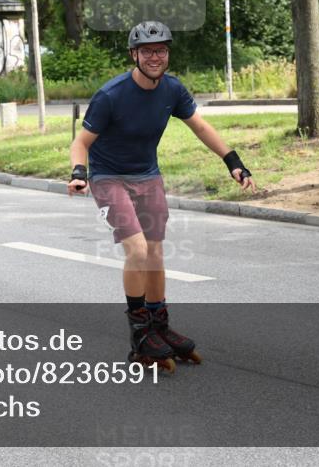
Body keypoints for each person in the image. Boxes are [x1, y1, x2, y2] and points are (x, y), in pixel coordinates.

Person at [67, 21, 256, 371]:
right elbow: (81, 143)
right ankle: (140, 334)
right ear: (134, 55)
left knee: (154, 252)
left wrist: (232, 161)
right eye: (147, 51)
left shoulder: (172, 89)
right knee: (137, 250)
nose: (155, 57)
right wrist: (79, 174)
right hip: (109, 179)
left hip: (148, 177)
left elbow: (200, 125)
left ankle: (159, 325)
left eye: (161, 50)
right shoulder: (111, 94)